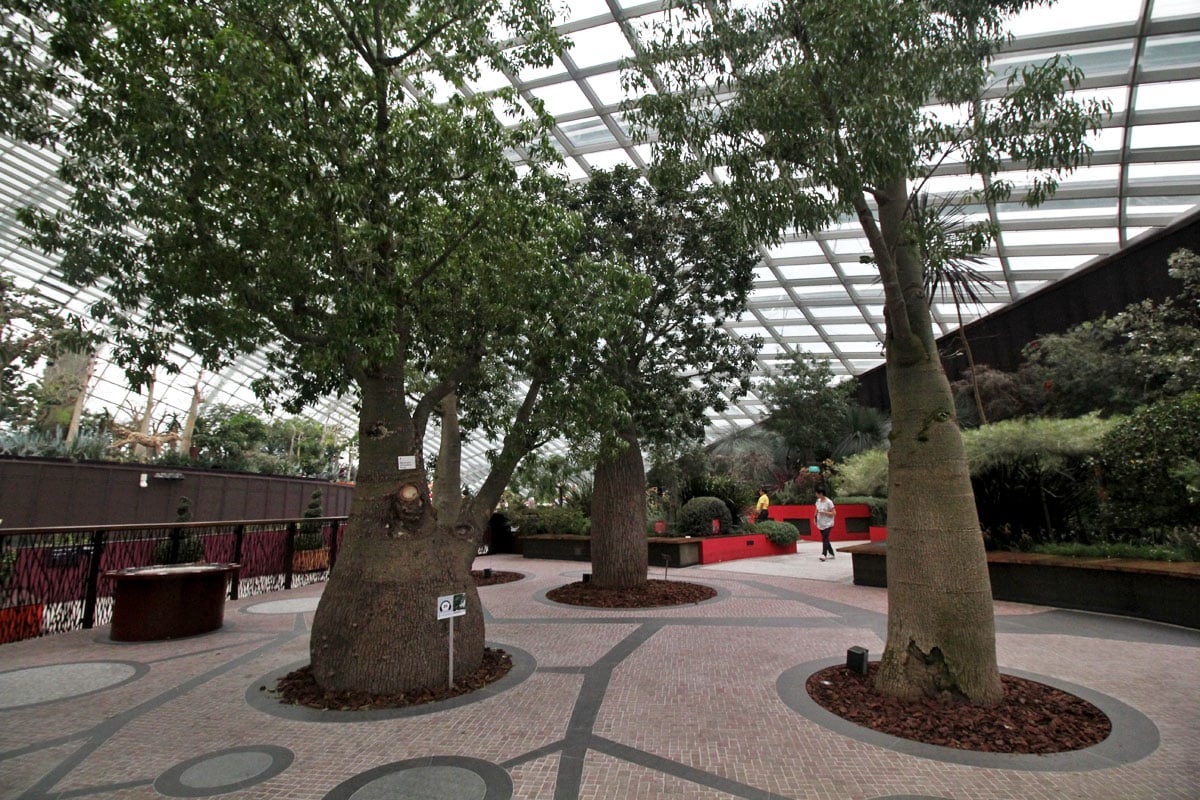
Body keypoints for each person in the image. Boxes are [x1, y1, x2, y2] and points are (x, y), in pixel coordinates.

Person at [815, 487, 836, 561]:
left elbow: (834, 513)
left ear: (821, 493)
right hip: (820, 523)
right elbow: (816, 510)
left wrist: (825, 512)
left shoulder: (829, 502)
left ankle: (824, 554)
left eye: (817, 493)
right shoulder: (818, 501)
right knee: (825, 538)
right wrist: (815, 519)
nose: (816, 495)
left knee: (824, 538)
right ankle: (831, 553)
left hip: (828, 523)